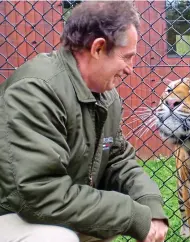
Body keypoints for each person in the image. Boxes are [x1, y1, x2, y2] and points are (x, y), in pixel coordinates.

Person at [0, 1, 168, 242]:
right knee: (55, 237)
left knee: (94, 223)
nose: (131, 69)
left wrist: (149, 203)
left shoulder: (106, 96)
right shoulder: (35, 91)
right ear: (98, 48)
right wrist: (130, 214)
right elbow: (38, 194)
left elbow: (118, 159)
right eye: (127, 57)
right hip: (11, 212)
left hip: (46, 209)